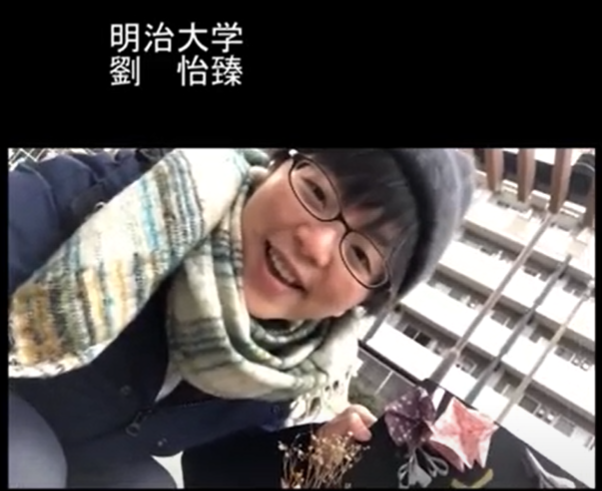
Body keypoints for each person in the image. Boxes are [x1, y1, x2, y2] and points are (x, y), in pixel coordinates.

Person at [8, 148, 475, 488]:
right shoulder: (130, 204)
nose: (315, 245)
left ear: (360, 304)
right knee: (26, 458)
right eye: (316, 192)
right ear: (276, 167)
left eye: (359, 255)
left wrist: (315, 450)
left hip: (91, 460)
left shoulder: (290, 361)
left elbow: (217, 469)